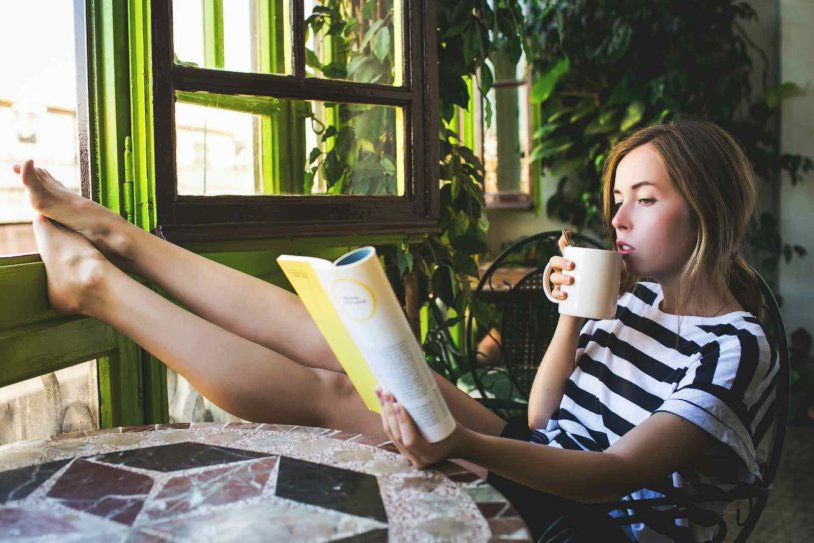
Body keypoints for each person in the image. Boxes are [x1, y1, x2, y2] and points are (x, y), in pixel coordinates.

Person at [12, 120, 775, 542]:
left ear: (706, 209)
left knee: (335, 390)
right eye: (618, 198)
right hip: (550, 458)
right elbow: (547, 419)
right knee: (337, 329)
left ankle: (98, 288)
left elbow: (614, 474)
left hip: (603, 521)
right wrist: (573, 317)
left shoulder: (734, 347)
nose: (617, 219)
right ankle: (121, 240)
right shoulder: (638, 302)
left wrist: (463, 446)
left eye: (643, 199)